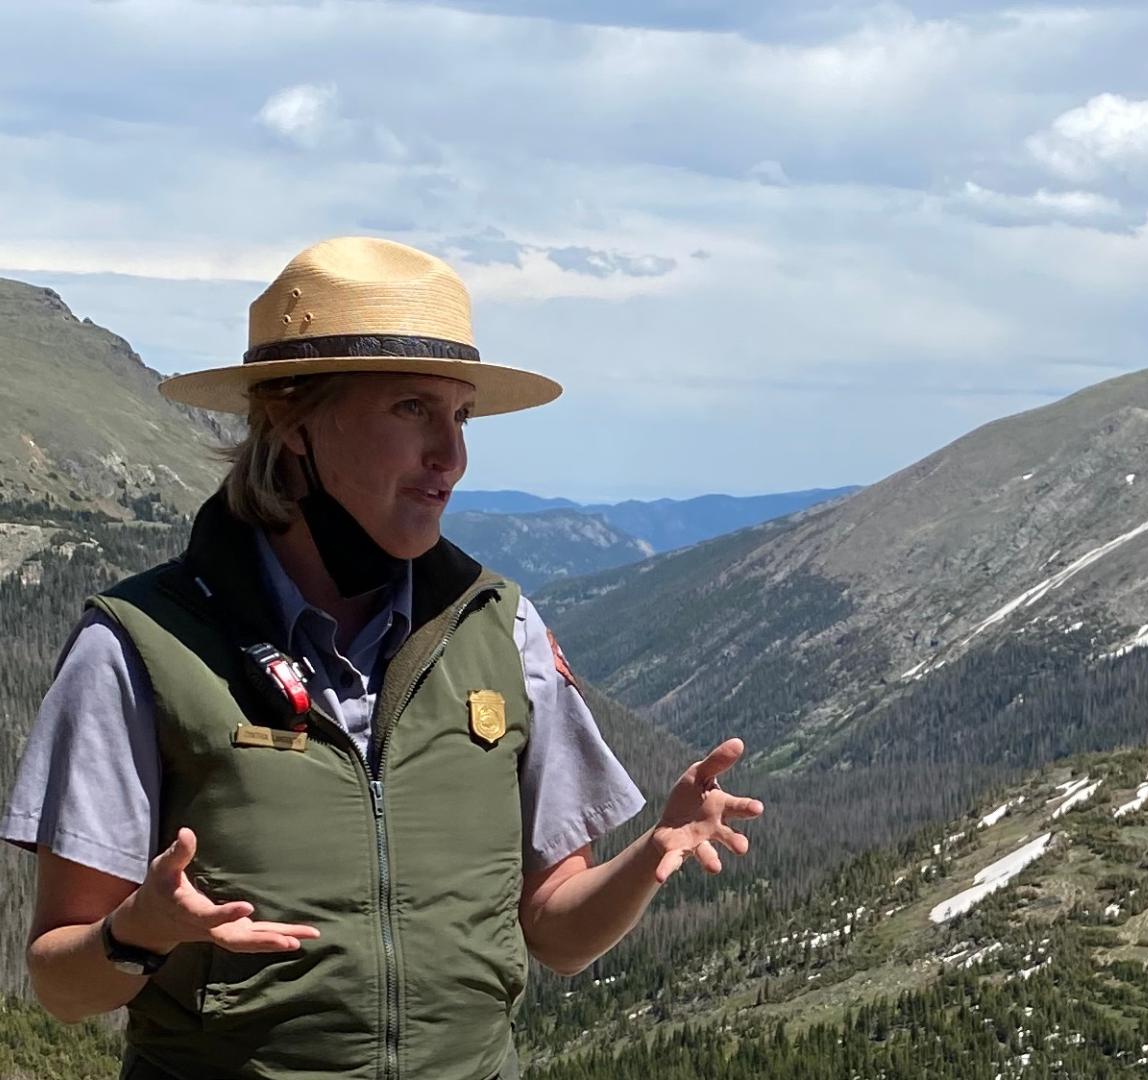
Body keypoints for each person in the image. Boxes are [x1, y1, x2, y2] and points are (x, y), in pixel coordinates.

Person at [3, 236, 763, 1080]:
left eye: (460, 416)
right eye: (412, 410)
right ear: (292, 420)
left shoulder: (499, 628)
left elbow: (554, 931)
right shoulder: (140, 645)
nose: (453, 456)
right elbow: (61, 984)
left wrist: (653, 854)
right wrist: (136, 931)